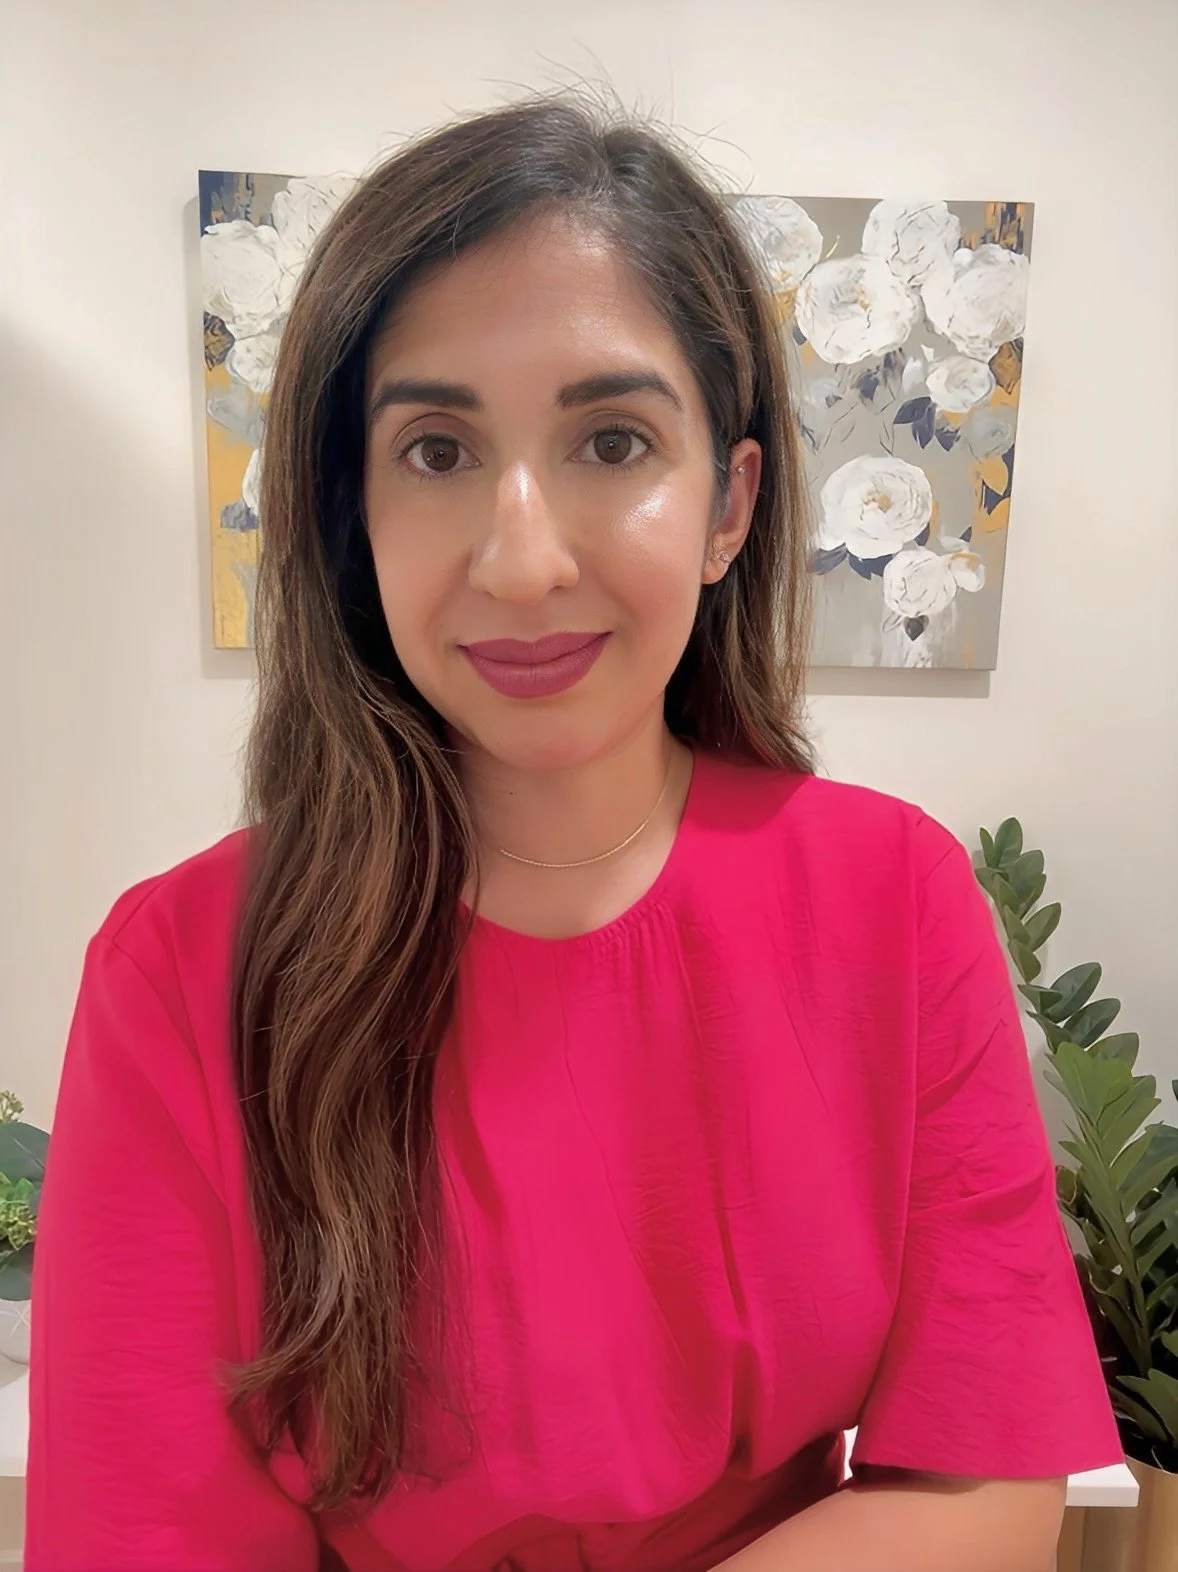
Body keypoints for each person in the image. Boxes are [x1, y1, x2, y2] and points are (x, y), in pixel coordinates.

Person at [26, 92, 1123, 1572]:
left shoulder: (892, 899)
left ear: (729, 506)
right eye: (433, 452)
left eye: (611, 442)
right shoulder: (183, 968)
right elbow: (145, 1539)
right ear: (349, 511)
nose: (523, 557)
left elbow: (986, 1485)